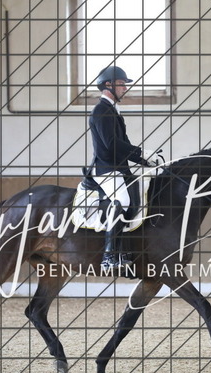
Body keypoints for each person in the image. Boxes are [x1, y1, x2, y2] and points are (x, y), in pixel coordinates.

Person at [88, 65, 157, 270]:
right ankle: (108, 255)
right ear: (108, 85)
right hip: (106, 169)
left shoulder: (113, 111)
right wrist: (142, 153)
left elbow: (124, 144)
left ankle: (124, 249)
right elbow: (112, 145)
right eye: (121, 84)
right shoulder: (101, 110)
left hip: (119, 169)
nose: (125, 88)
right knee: (123, 200)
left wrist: (146, 159)